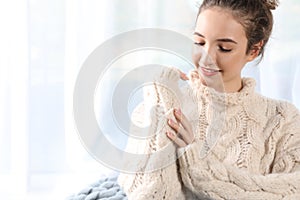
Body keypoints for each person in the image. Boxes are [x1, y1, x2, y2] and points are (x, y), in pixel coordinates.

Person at [118, 0, 300, 199]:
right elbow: (148, 195)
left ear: (253, 50)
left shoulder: (283, 118)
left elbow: (292, 192)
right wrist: (160, 101)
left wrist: (198, 166)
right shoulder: (161, 102)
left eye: (224, 48)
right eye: (199, 42)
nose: (206, 57)